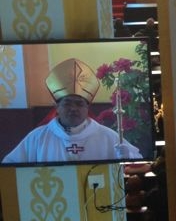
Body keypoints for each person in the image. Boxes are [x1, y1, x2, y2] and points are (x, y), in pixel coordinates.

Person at [2, 57, 142, 164]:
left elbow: (137, 162)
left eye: (79, 104)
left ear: (87, 108)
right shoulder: (38, 137)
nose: (73, 108)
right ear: (57, 107)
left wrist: (128, 157)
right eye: (67, 103)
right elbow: (10, 165)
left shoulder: (108, 137)